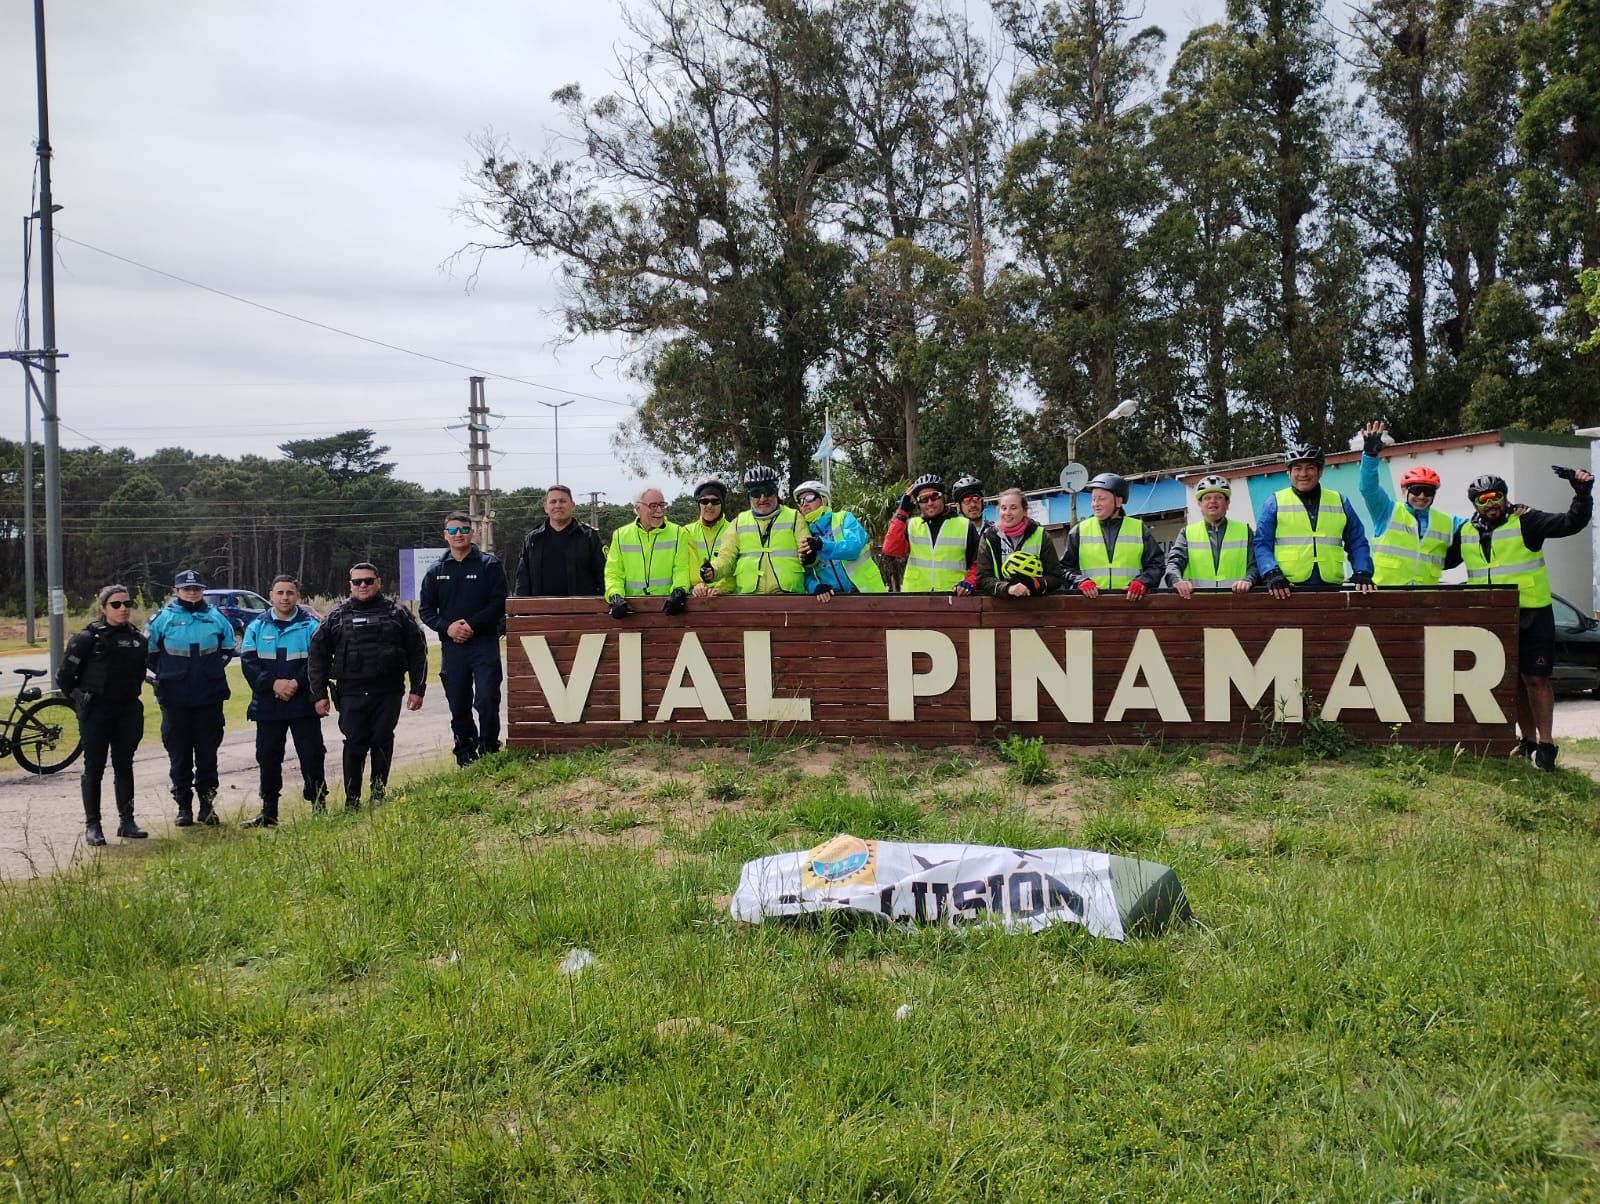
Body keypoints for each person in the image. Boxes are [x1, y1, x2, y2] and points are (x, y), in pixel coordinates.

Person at [1446, 469, 1594, 771]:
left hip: (1532, 613)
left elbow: (1570, 523)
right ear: (1474, 504)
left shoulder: (1526, 520)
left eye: (1496, 497)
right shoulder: (1465, 532)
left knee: (1535, 679)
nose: (1491, 504)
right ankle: (1526, 741)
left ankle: (1546, 743)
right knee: (1512, 683)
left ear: (1505, 497)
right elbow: (1440, 558)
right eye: (1483, 499)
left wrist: (1582, 494)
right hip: (1493, 616)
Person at [308, 564, 428, 810]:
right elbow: (317, 656)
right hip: (351, 693)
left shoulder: (398, 613)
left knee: (382, 740)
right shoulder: (336, 615)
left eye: (368, 581)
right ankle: (352, 800)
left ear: (379, 582)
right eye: (357, 582)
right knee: (354, 744)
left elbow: (418, 651)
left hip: (388, 691)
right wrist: (319, 694)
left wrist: (418, 688)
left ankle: (378, 794)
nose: (363, 585)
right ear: (350, 584)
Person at [57, 585, 150, 846]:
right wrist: (80, 702)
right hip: (97, 711)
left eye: (126, 604)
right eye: (116, 604)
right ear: (103, 608)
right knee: (94, 767)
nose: (123, 609)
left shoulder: (137, 640)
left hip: (127, 710)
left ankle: (127, 821)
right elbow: (64, 678)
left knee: (124, 765)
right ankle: (93, 825)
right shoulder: (87, 639)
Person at [145, 568, 236, 827]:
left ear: (202, 591)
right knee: (179, 755)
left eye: (196, 589)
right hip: (175, 699)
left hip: (209, 696)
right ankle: (183, 807)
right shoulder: (162, 619)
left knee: (208, 754)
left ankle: (207, 807)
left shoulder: (216, 618)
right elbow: (150, 653)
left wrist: (208, 671)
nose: (192, 593)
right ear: (176, 591)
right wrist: (171, 674)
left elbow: (227, 649)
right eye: (187, 589)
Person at [420, 512, 509, 766]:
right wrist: (447, 628)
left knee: (486, 699)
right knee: (458, 703)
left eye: (464, 529)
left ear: (473, 533)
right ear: (445, 535)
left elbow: (498, 603)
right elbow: (426, 611)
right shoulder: (436, 571)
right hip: (453, 647)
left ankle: (490, 749)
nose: (459, 534)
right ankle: (465, 754)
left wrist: (471, 624)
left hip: (483, 644)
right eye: (453, 530)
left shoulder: (489, 565)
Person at [240, 575, 326, 826]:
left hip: (302, 702)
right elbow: (248, 662)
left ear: (297, 595)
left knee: (311, 755)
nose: (285, 597)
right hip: (268, 703)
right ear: (271, 595)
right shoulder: (257, 626)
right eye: (280, 593)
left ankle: (318, 806)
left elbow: (317, 661)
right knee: (267, 756)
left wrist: (296, 683)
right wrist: (273, 684)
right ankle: (269, 812)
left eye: (290, 592)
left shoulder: (311, 625)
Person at [1254, 444, 1377, 599]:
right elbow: (1261, 543)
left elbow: (1357, 541)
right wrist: (1271, 572)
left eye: (1310, 468)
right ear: (1288, 473)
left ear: (1320, 471)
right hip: (1288, 588)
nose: (1303, 474)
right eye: (1297, 468)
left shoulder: (1340, 501)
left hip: (1331, 586)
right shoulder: (1274, 502)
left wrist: (1362, 571)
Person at [1358, 420, 1458, 587]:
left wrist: (1514, 510)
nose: (1421, 495)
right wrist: (1369, 456)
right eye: (1416, 489)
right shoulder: (1386, 511)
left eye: (1428, 491)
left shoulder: (1448, 523)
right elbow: (1368, 488)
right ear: (1404, 490)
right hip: (1387, 601)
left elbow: (1480, 523)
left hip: (1425, 603)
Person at [711, 466, 815, 595]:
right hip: (749, 599)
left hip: (789, 597)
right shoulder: (739, 522)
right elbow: (726, 558)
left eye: (768, 491)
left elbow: (808, 550)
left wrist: (809, 556)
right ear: (749, 496)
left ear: (776, 492)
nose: (762, 498)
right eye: (756, 493)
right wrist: (712, 570)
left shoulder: (794, 517)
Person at [1062, 473, 1163, 600]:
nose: (1096, 504)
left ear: (1119, 501)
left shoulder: (1139, 528)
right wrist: (1080, 582)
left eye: (1102, 499)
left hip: (1130, 605)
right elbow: (1064, 568)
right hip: (1091, 606)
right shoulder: (1079, 531)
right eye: (1093, 499)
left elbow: (1157, 564)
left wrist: (1143, 582)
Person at [604, 486, 695, 617]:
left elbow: (681, 568)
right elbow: (613, 572)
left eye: (662, 505)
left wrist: (679, 591)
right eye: (653, 506)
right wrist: (615, 596)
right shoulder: (620, 535)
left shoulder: (678, 533)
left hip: (667, 610)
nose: (659, 510)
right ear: (637, 508)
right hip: (631, 612)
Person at [882, 473, 981, 594]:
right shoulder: (911, 525)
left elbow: (978, 564)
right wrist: (902, 511)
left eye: (935, 496)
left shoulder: (965, 526)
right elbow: (890, 549)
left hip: (952, 598)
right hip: (915, 598)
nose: (929, 503)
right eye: (923, 499)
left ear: (944, 497)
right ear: (917, 504)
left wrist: (969, 582)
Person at [1163, 475, 1260, 597]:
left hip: (1236, 603)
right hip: (1198, 604)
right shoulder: (1187, 533)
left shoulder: (1245, 531)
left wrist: (1248, 580)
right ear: (1200, 504)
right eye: (1207, 498)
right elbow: (1174, 562)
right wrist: (1177, 581)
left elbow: (1255, 564)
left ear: (1228, 503)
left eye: (1218, 497)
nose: (1212, 501)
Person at [793, 479, 885, 598]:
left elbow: (854, 547)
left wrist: (823, 545)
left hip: (868, 594)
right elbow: (804, 572)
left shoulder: (844, 517)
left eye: (809, 498)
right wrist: (815, 587)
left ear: (824, 499)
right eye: (800, 501)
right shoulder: (803, 532)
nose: (804, 503)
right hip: (833, 601)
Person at [513, 484, 605, 596]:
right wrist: (520, 610)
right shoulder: (533, 539)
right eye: (553, 501)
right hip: (540, 611)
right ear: (546, 507)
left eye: (562, 501)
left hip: (581, 611)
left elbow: (603, 577)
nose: (558, 505)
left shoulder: (589, 537)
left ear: (572, 505)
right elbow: (522, 582)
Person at [976, 488, 1064, 598]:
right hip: (999, 608)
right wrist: (1007, 588)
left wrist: (1033, 584)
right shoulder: (989, 537)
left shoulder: (1041, 535)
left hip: (1036, 607)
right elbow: (983, 578)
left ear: (1024, 510)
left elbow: (1055, 577)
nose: (1007, 513)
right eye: (1003, 508)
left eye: (1013, 508)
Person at [687, 475, 732, 596]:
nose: (709, 506)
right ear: (699, 504)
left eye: (715, 501)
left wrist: (722, 588)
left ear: (722, 504)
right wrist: (697, 585)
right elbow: (684, 566)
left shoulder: (734, 529)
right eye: (704, 501)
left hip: (726, 598)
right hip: (695, 597)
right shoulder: (686, 531)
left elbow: (737, 567)